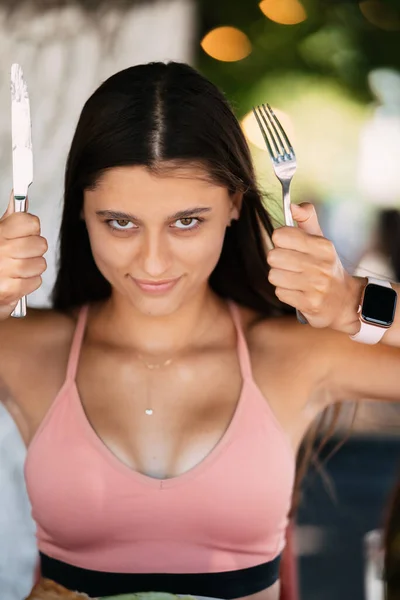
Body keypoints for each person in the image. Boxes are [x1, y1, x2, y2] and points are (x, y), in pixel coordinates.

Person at [0, 61, 399, 600]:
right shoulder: (30, 351)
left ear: (235, 204)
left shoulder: (291, 357)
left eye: (187, 221)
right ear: (82, 212)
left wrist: (357, 302)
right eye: (120, 222)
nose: (154, 261)